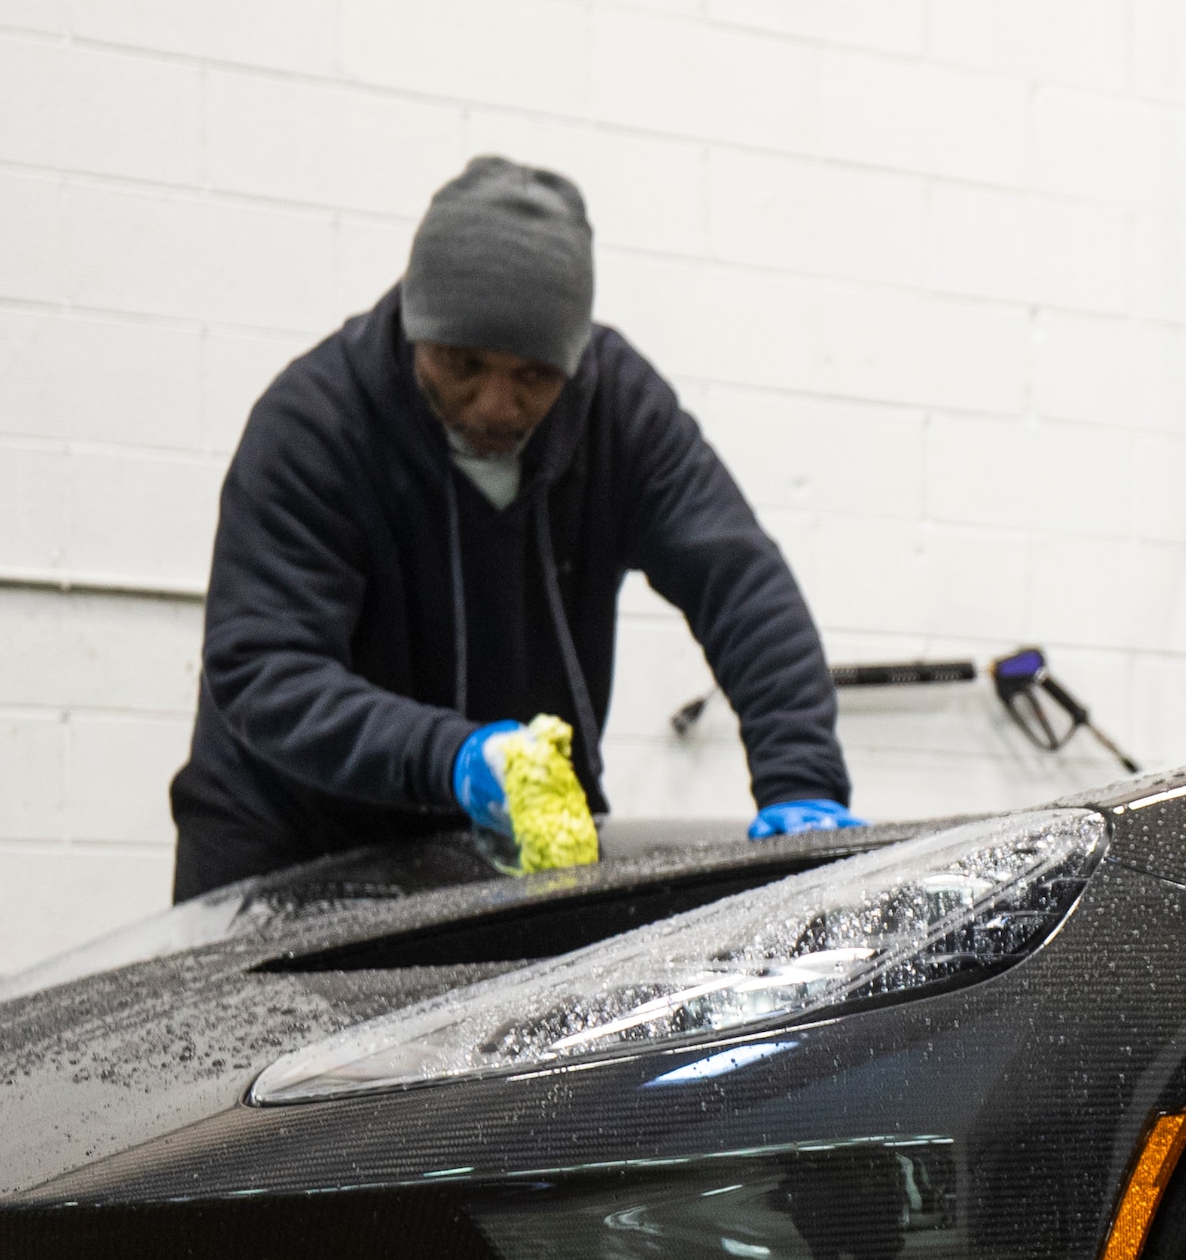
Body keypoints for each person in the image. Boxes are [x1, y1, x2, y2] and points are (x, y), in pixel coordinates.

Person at [167, 158, 860, 899]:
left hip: (509, 839)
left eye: (532, 375)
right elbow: (267, 667)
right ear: (415, 328)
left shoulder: (618, 413)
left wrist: (801, 781)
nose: (497, 404)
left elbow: (740, 584)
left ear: (572, 357)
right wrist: (452, 756)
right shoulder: (315, 427)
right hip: (294, 844)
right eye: (463, 364)